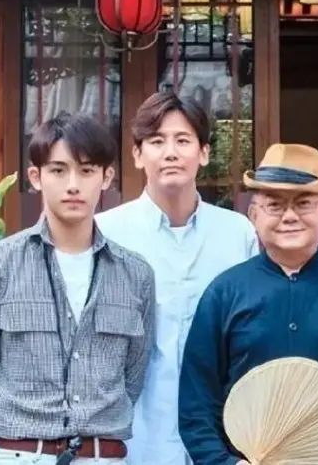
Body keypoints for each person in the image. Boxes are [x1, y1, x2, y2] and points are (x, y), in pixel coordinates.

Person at [178, 143, 318, 465]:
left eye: (303, 203)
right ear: (253, 215)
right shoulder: (224, 293)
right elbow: (197, 402)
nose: (289, 216)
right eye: (274, 205)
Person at [0, 113, 155, 465]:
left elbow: (133, 374)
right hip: (19, 453)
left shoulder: (135, 274)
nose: (73, 185)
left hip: (102, 456)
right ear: (36, 177)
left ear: (106, 177)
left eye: (86, 171)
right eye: (59, 170)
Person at [95, 91, 259, 464]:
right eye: (157, 141)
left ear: (204, 153)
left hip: (223, 440)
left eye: (183, 140)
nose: (170, 152)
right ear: (137, 155)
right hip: (134, 439)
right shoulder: (106, 234)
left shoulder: (237, 233)